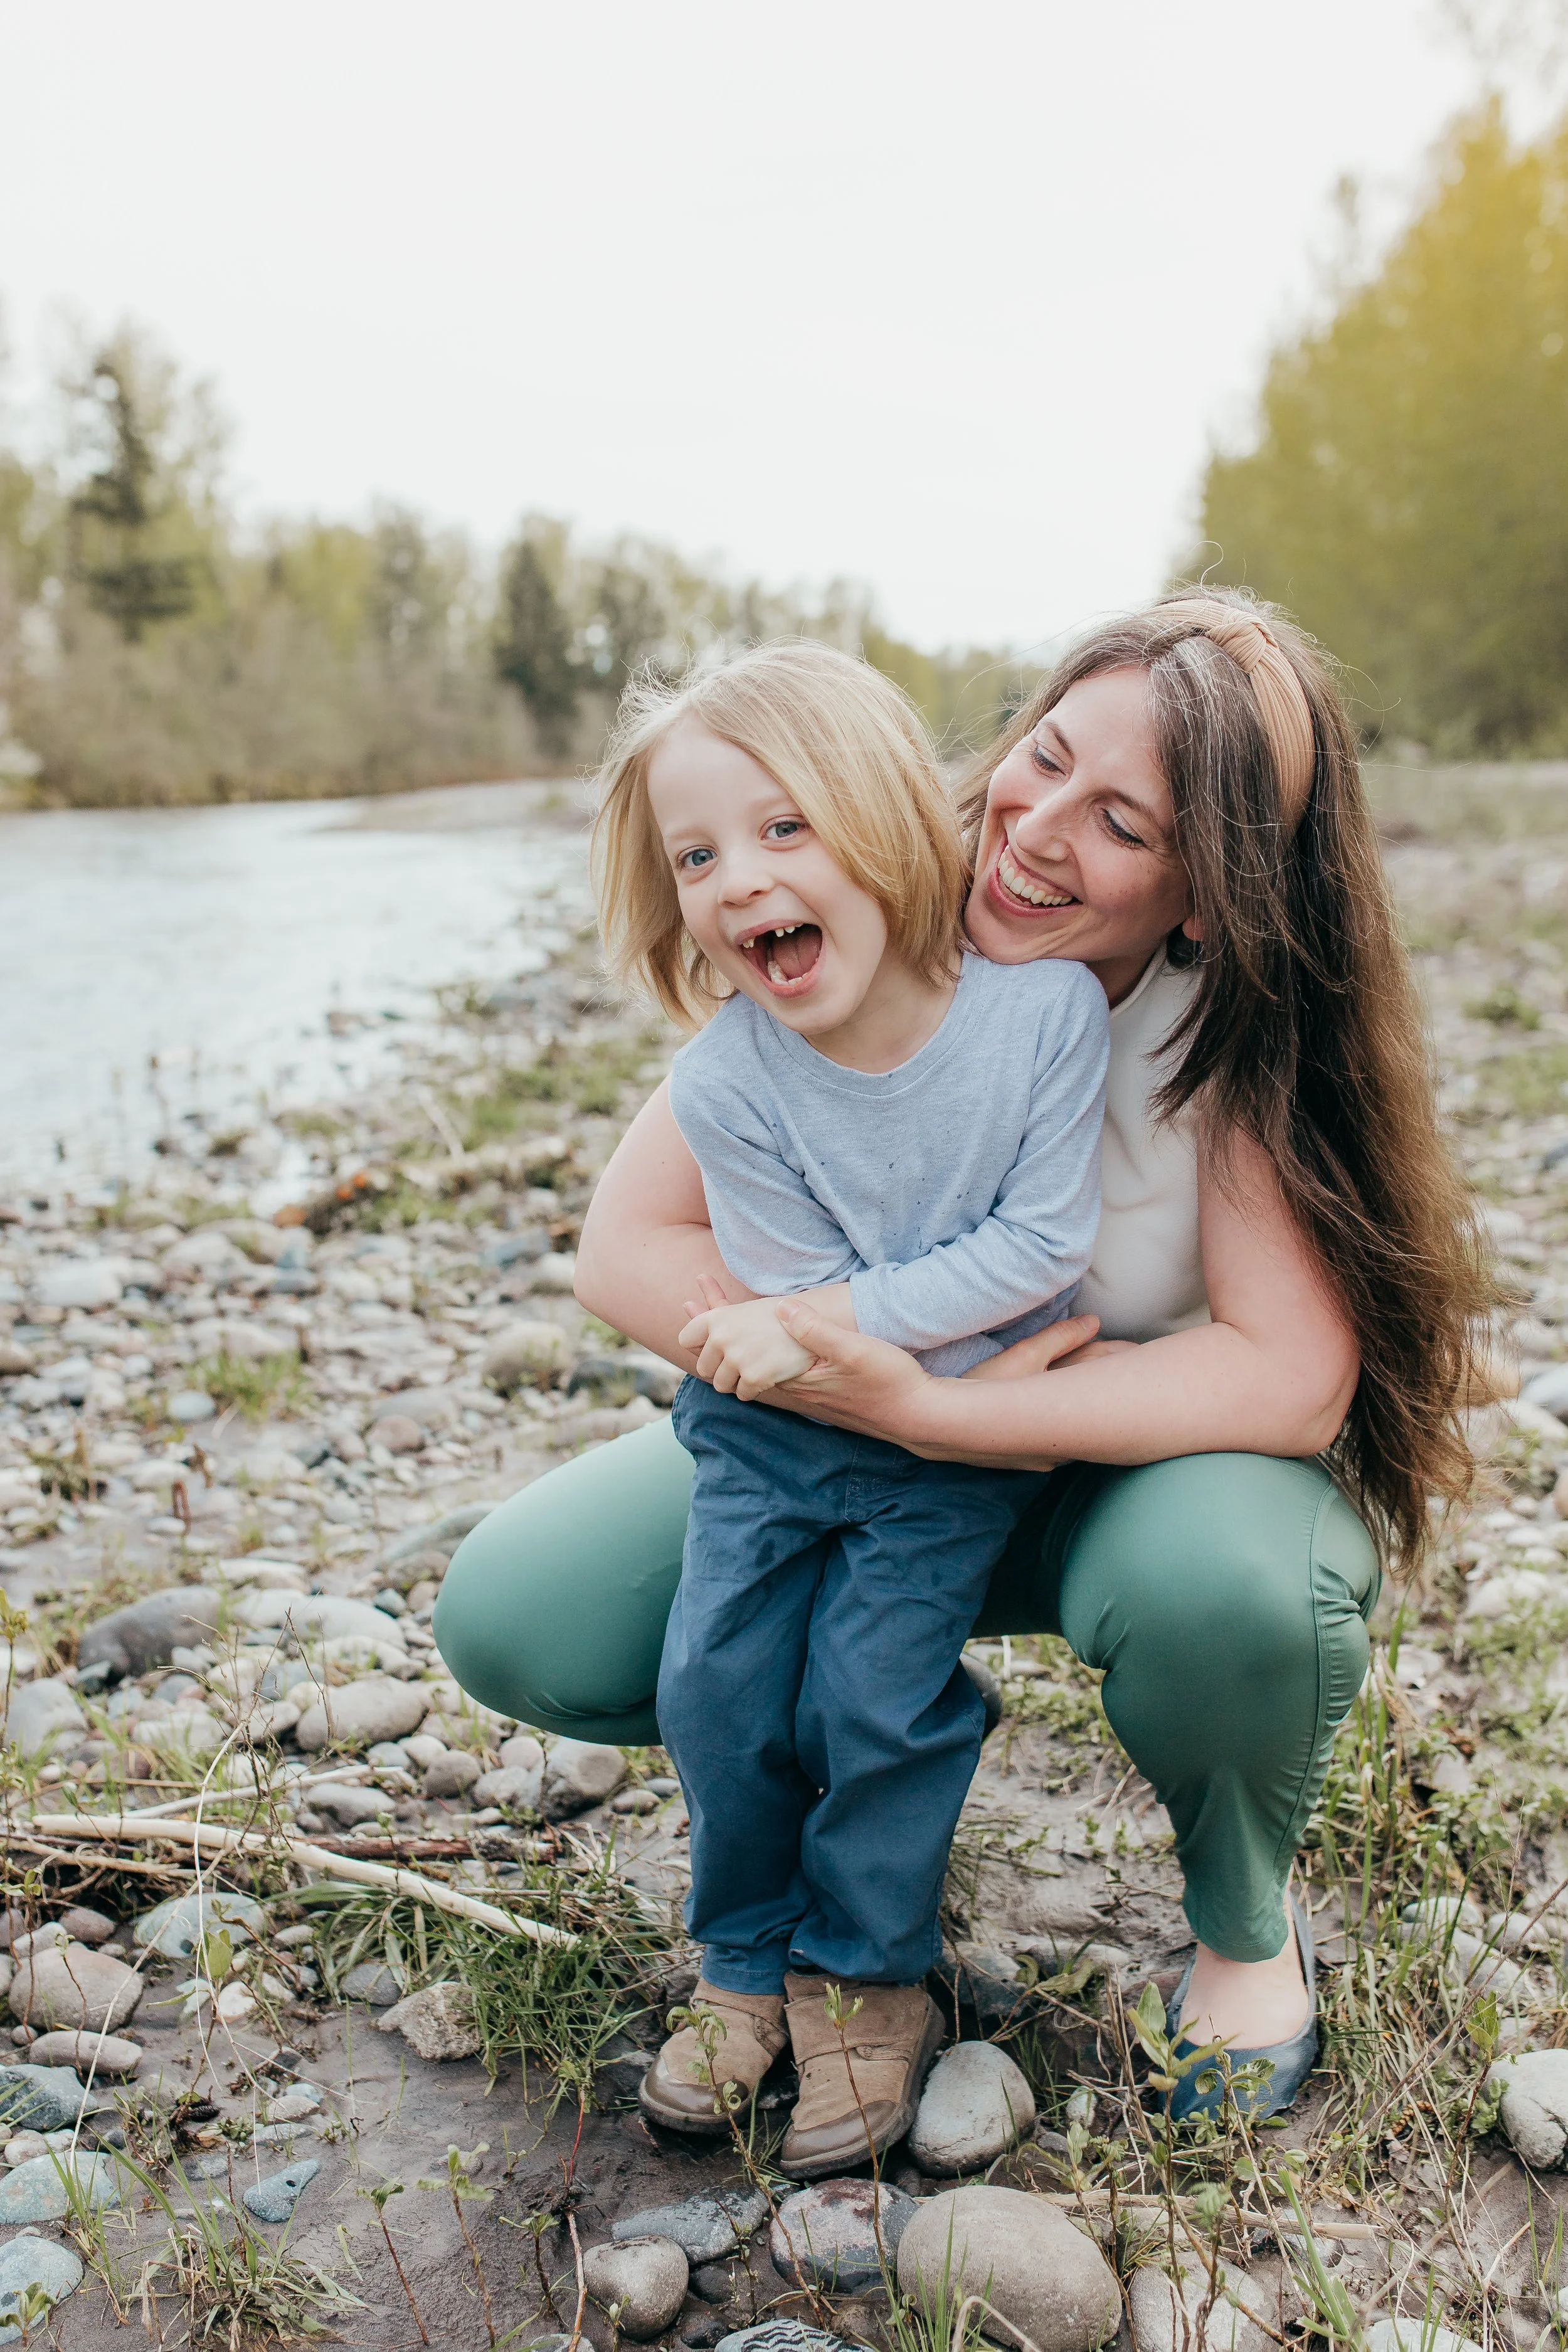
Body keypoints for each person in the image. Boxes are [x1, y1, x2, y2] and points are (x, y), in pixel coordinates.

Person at [433, 591, 1490, 2135]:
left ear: (1205, 894)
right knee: (525, 1614)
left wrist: (956, 1409)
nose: (1034, 827)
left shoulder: (1230, 1036)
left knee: (1228, 1590)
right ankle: (774, 1909)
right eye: (1041, 756)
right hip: (848, 1430)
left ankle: (1241, 1942)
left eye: (1117, 820)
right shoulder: (873, 890)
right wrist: (828, 1368)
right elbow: (625, 1247)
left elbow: (1287, 1380)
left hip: (1119, 1484)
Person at [584, 640, 1108, 2175]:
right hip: (777, 1432)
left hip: (947, 1449)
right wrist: (849, 1352)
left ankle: (868, 1975)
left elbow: (1039, 1246)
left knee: (869, 1695)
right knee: (719, 1686)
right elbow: (790, 1296)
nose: (740, 878)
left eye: (782, 828)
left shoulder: (1042, 1022)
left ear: (885, 821)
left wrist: (864, 1358)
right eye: (697, 854)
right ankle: (741, 1962)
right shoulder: (727, 1080)